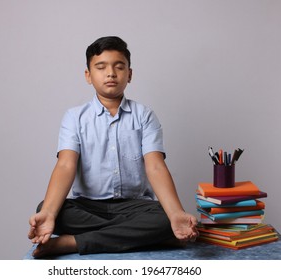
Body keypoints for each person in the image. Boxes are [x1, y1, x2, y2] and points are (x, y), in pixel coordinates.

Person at [28, 36, 198, 258]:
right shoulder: (74, 117)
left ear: (129, 74)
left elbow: (155, 167)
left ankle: (73, 243)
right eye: (101, 67)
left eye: (119, 67)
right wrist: (50, 213)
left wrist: (175, 213)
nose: (111, 73)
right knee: (46, 209)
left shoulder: (144, 116)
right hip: (88, 207)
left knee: (167, 217)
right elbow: (65, 165)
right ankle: (143, 237)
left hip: (134, 207)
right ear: (88, 75)